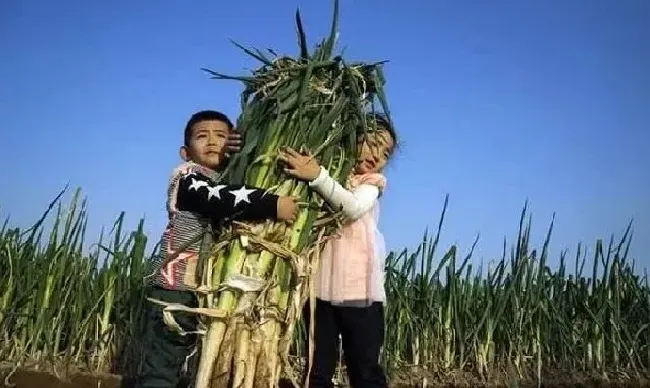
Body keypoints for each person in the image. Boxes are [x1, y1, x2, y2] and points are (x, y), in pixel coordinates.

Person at [135, 110, 298, 388]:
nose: (212, 141)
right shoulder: (188, 177)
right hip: (175, 289)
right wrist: (272, 204)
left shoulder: (222, 176)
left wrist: (248, 146)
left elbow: (229, 185)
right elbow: (217, 198)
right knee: (163, 363)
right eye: (202, 136)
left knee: (190, 365)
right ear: (185, 152)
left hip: (202, 292)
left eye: (221, 136)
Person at [279, 113, 397, 388]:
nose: (377, 154)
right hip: (319, 291)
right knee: (317, 369)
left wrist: (317, 176)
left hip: (361, 294)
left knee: (365, 369)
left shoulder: (371, 183)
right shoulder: (332, 173)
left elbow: (351, 207)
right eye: (371, 143)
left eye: (386, 152)